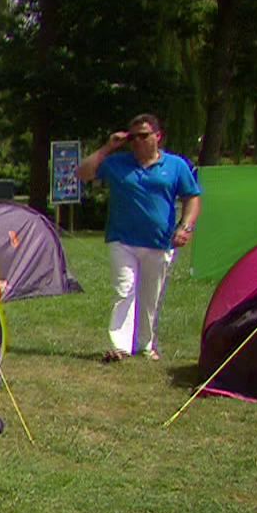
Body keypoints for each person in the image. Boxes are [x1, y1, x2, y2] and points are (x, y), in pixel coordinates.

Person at [80, 113, 202, 361]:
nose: (137, 141)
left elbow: (192, 197)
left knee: (150, 297)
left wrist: (186, 227)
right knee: (124, 290)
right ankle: (120, 346)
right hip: (122, 239)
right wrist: (108, 147)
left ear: (158, 136)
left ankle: (145, 344)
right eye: (133, 137)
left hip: (159, 241)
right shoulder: (118, 163)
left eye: (143, 136)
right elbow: (83, 173)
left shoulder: (176, 165)